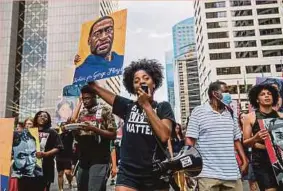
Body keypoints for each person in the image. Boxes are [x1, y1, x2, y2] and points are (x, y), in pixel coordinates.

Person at [88, 58, 176, 191]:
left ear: (154, 83)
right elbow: (95, 88)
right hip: (128, 173)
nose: (141, 81)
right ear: (133, 87)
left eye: (146, 78)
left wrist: (146, 105)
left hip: (155, 173)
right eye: (136, 80)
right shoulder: (128, 106)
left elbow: (164, 135)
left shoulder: (163, 107)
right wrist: (85, 65)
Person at [185, 81, 248, 191]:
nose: (229, 95)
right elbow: (190, 141)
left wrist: (244, 160)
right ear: (215, 94)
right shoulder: (198, 112)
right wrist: (189, 169)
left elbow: (236, 139)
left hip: (232, 173)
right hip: (208, 174)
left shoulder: (231, 113)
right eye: (225, 91)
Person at [73, 85, 117, 191]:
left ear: (95, 97)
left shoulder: (105, 110)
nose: (85, 101)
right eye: (83, 99)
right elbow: (78, 137)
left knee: (94, 188)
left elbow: (113, 134)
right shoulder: (82, 113)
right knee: (82, 188)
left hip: (99, 157)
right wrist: (72, 129)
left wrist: (94, 129)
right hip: (83, 158)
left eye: (87, 98)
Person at [243, 84, 283, 191]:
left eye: (269, 94)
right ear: (257, 99)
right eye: (263, 94)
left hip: (280, 159)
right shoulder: (250, 117)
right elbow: (245, 142)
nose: (266, 96)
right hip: (261, 161)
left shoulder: (281, 116)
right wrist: (255, 138)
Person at [18, 111, 63, 191]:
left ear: (48, 119)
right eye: (40, 116)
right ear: (36, 117)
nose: (42, 117)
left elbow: (58, 147)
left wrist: (46, 154)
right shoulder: (29, 131)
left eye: (45, 116)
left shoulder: (52, 132)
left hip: (45, 168)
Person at [73, 16, 124, 83]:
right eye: (97, 34)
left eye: (108, 30)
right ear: (89, 41)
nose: (103, 37)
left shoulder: (121, 61)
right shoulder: (79, 72)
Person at [238, 113, 258, 191]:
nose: (244, 118)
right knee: (251, 181)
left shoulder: (254, 127)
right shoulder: (239, 132)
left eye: (245, 116)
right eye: (242, 117)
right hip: (246, 158)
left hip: (256, 155)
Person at [168, 123, 187, 191]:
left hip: (181, 156)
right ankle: (177, 189)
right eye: (176, 128)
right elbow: (170, 146)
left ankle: (182, 189)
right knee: (175, 174)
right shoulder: (171, 137)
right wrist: (171, 156)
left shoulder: (182, 137)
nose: (177, 130)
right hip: (175, 155)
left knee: (182, 173)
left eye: (178, 128)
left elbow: (185, 146)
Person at [56, 123, 74, 191]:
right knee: (60, 174)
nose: (63, 126)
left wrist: (70, 124)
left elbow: (74, 128)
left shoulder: (71, 134)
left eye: (65, 125)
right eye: (62, 125)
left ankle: (70, 182)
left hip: (68, 157)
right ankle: (61, 189)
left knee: (67, 173)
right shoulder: (58, 136)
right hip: (59, 157)